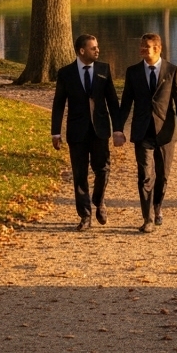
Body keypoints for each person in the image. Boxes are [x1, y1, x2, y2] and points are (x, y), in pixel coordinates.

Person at [114, 32, 177, 234]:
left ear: (158, 49)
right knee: (145, 175)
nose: (142, 50)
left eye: (146, 47)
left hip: (166, 132)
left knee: (162, 175)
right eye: (141, 46)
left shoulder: (172, 71)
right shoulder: (133, 72)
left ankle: (157, 207)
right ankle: (147, 218)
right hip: (142, 132)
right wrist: (118, 129)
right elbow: (126, 103)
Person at [51, 34, 122, 231]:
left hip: (100, 130)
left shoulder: (103, 69)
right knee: (79, 175)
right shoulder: (66, 73)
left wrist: (117, 129)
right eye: (93, 48)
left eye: (97, 47)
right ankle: (85, 215)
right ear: (82, 51)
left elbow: (113, 102)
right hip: (77, 131)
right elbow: (58, 104)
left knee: (103, 169)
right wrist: (55, 132)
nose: (97, 50)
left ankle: (98, 200)